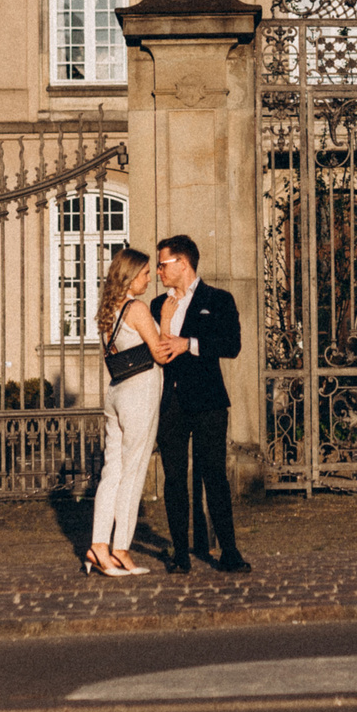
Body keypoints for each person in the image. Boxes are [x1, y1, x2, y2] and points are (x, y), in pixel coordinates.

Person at [148, 233, 250, 573]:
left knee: (214, 475)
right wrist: (164, 328)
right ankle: (179, 553)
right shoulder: (155, 305)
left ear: (183, 263)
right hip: (171, 402)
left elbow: (231, 344)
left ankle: (229, 551)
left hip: (207, 401)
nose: (159, 271)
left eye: (163, 264)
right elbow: (157, 353)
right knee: (174, 478)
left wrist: (188, 343)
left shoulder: (218, 299)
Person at [84, 246, 170, 578]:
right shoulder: (137, 308)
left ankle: (99, 546)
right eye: (146, 273)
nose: (150, 279)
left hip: (116, 392)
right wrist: (165, 321)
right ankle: (120, 547)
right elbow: (160, 354)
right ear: (131, 276)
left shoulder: (109, 310)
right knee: (133, 473)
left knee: (112, 472)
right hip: (139, 392)